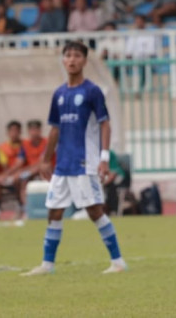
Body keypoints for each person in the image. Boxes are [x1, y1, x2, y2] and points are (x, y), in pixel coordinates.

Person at [22, 41, 127, 276]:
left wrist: (104, 158)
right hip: (63, 164)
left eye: (77, 56)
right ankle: (47, 265)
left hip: (85, 162)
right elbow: (55, 129)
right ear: (63, 60)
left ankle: (118, 261)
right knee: (54, 211)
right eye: (68, 55)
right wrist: (46, 159)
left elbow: (105, 123)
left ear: (84, 61)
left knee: (94, 211)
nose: (72, 59)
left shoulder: (92, 91)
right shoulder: (59, 94)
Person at [0, 120, 27, 222]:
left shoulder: (26, 145)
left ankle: (21, 207)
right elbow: (4, 165)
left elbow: (21, 163)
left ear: (20, 132)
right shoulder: (2, 148)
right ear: (7, 133)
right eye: (12, 131)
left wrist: (8, 174)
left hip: (24, 173)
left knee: (18, 179)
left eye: (16, 131)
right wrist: (4, 175)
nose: (14, 133)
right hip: (9, 174)